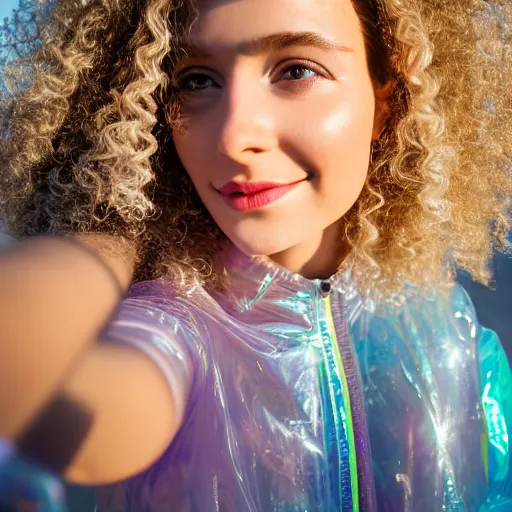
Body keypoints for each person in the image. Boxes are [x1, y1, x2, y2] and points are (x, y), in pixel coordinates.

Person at [0, 0, 511, 510]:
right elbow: (62, 412)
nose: (234, 136)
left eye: (296, 70)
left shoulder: (454, 331)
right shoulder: (176, 329)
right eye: (197, 80)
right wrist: (106, 237)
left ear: (386, 107)